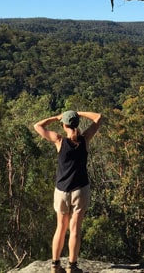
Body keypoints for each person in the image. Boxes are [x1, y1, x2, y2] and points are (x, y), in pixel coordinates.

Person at [34, 110, 103, 273]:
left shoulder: (59, 141)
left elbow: (37, 126)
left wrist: (56, 117)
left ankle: (55, 265)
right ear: (77, 124)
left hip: (62, 191)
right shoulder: (85, 139)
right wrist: (79, 113)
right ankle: (72, 266)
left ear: (64, 125)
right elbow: (99, 117)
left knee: (60, 227)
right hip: (80, 190)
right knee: (75, 229)